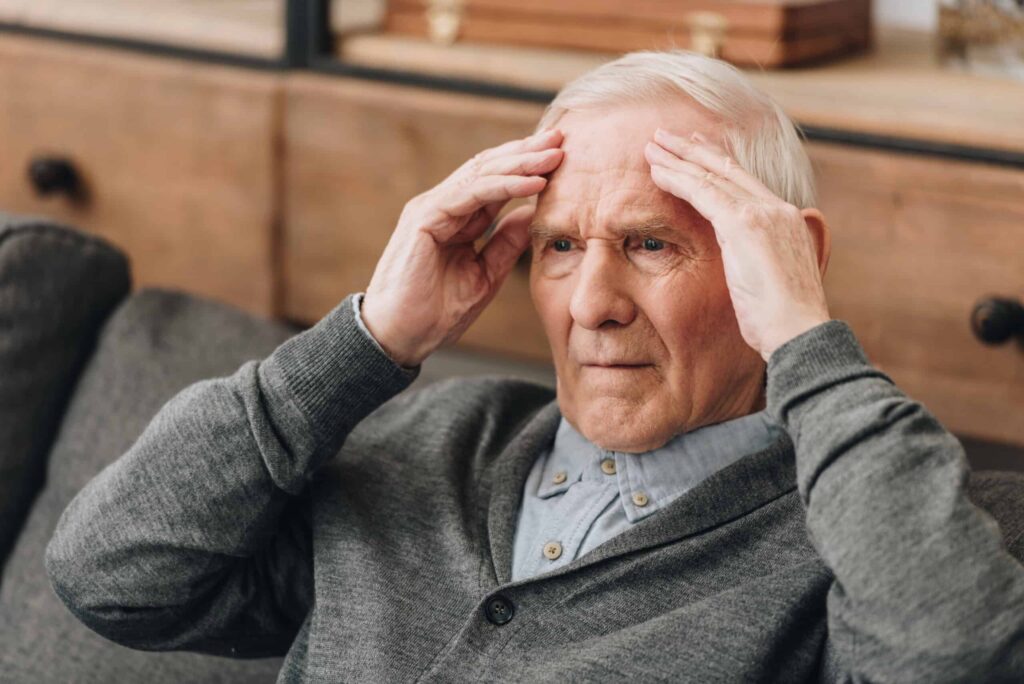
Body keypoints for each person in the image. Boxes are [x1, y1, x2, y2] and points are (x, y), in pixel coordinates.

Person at [46, 50, 1024, 682]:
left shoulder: (871, 533)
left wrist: (807, 343)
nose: (591, 303)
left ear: (779, 255)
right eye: (559, 248)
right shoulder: (431, 440)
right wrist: (367, 342)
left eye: (648, 244)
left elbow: (951, 654)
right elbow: (114, 574)